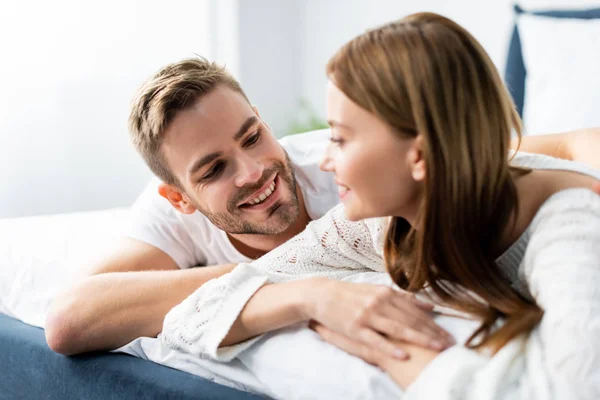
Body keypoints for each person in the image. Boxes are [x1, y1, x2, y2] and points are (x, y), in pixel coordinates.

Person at [159, 13, 600, 399]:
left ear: (420, 158)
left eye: (340, 137)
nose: (324, 159)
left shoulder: (573, 229)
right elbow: (189, 319)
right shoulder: (383, 225)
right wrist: (313, 297)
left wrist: (399, 354)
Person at [45, 56, 600, 356]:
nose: (255, 171)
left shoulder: (352, 169)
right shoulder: (166, 215)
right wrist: (293, 287)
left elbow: (572, 144)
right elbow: (69, 318)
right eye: (214, 170)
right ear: (178, 198)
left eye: (252, 136)